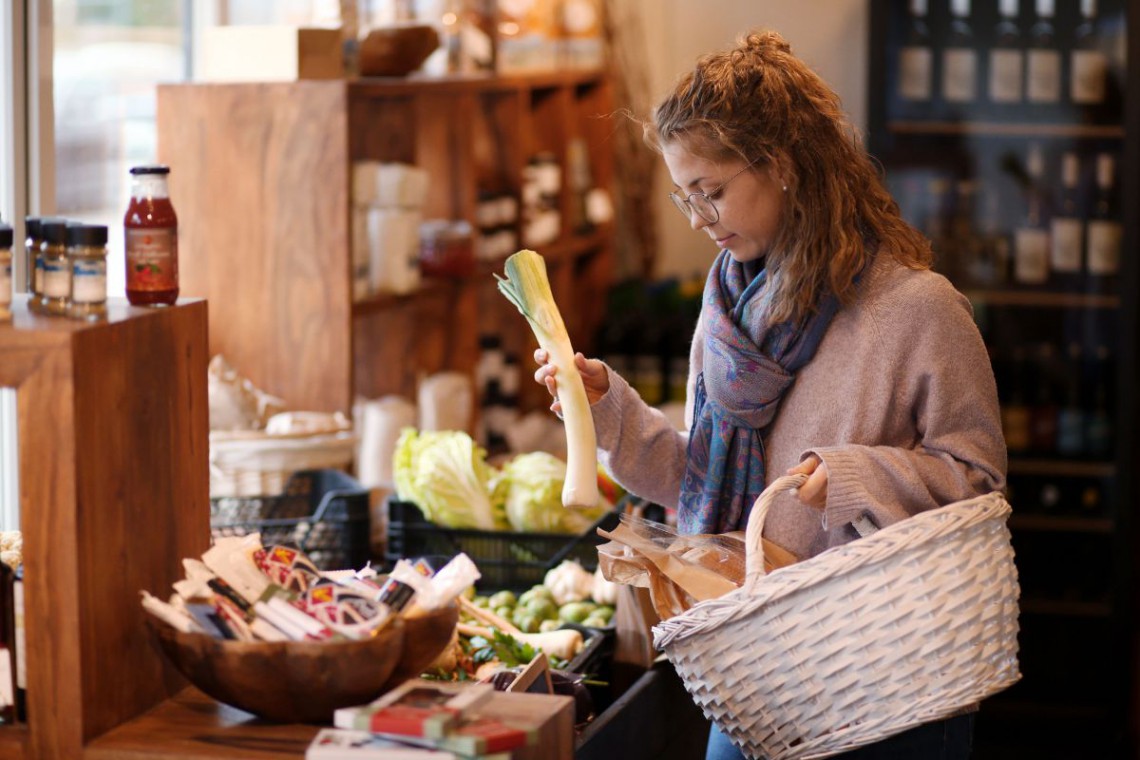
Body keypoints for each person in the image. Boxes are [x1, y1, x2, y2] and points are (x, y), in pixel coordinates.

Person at [533, 29, 1006, 760]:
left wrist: (852, 478)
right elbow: (697, 483)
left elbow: (979, 485)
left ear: (782, 166)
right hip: (760, 672)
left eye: (711, 192)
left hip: (891, 684)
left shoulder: (920, 310)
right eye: (682, 196)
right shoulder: (727, 310)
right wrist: (605, 408)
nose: (697, 219)